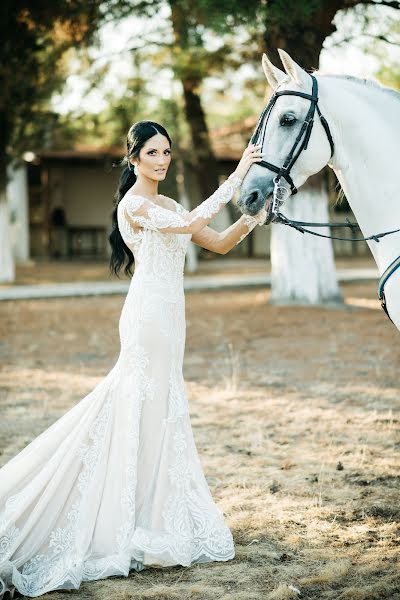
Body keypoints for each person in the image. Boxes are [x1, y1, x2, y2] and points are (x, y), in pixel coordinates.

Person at [0, 120, 266, 598]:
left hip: (172, 322)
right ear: (134, 158)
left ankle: (150, 516)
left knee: (160, 414)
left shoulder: (167, 203)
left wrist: (252, 216)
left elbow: (218, 242)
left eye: (166, 152)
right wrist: (238, 173)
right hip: (146, 321)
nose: (161, 160)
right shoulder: (136, 205)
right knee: (133, 407)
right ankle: (122, 518)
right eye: (152, 153)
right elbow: (189, 225)